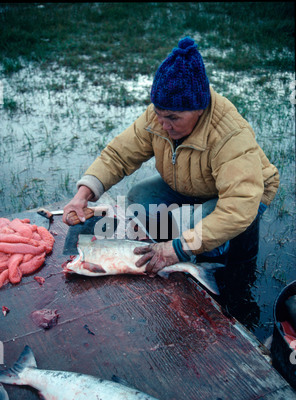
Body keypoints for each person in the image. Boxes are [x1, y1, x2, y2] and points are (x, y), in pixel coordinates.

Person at [63, 36, 279, 276]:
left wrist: (180, 247)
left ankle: (217, 266)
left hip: (246, 196)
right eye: (159, 114)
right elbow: (118, 155)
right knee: (140, 197)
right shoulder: (160, 114)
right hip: (197, 183)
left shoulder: (229, 134)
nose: (164, 125)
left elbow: (238, 206)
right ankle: (167, 252)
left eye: (174, 118)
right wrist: (83, 194)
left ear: (199, 109)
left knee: (211, 227)